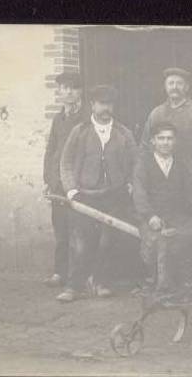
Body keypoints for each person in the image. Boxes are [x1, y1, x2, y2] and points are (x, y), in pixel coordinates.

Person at [56, 85, 138, 302]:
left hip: (114, 195)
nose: (105, 108)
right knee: (81, 242)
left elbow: (135, 164)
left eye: (109, 104)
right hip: (85, 195)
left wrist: (129, 183)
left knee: (108, 241)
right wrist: (71, 190)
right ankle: (74, 287)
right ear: (92, 105)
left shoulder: (123, 133)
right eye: (101, 103)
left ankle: (101, 282)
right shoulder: (80, 131)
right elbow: (65, 162)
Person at [133, 122, 192, 292]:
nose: (165, 142)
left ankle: (189, 281)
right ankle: (161, 283)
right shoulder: (143, 165)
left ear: (175, 141)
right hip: (152, 216)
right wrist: (149, 216)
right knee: (161, 240)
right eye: (161, 138)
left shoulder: (181, 164)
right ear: (153, 141)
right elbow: (139, 194)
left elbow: (191, 193)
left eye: (169, 138)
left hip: (177, 215)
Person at [42, 72, 88, 288]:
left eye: (73, 88)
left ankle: (80, 276)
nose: (68, 92)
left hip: (78, 184)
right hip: (58, 185)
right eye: (64, 88)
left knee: (79, 230)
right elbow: (51, 150)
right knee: (60, 229)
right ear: (59, 92)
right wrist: (49, 178)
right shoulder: (58, 118)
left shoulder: (87, 118)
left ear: (80, 92)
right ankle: (59, 272)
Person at [140, 67, 192, 181]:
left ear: (187, 87)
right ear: (165, 87)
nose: (174, 87)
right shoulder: (156, 114)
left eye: (179, 83)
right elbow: (145, 146)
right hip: (161, 180)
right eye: (171, 83)